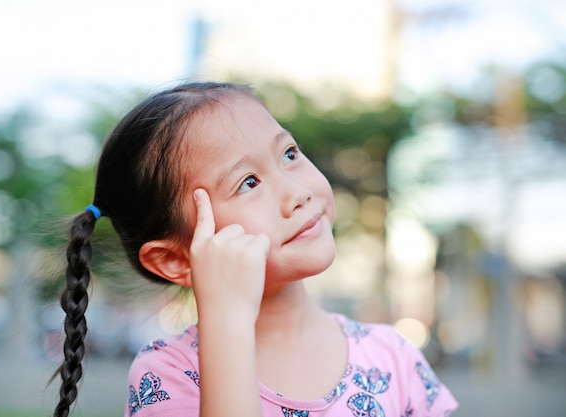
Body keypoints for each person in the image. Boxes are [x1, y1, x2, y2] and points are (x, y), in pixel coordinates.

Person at [52, 81, 458, 417]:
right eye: (249, 182)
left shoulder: (394, 356)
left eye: (289, 153)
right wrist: (227, 319)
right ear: (176, 259)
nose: (296, 192)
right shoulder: (168, 374)